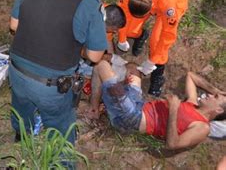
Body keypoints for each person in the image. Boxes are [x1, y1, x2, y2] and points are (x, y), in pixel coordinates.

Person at [8, 0, 107, 146]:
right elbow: (95, 56)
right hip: (50, 86)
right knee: (61, 125)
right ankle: (60, 162)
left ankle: (22, 136)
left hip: (16, 72)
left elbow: (13, 25)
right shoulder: (89, 4)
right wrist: (79, 50)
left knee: (22, 105)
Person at [88, 61, 226, 151]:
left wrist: (173, 110)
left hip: (132, 118)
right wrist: (217, 91)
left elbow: (172, 144)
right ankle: (112, 98)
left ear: (219, 109)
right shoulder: (193, 103)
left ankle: (94, 110)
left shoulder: (203, 127)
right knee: (133, 68)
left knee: (101, 66)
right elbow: (191, 76)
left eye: (214, 97)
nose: (209, 95)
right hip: (139, 103)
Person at [116, 0, 188, 97]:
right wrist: (122, 38)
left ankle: (158, 74)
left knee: (156, 42)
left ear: (150, 10)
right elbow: (123, 12)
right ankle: (141, 35)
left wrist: (152, 61)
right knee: (130, 30)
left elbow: (168, 36)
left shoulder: (170, 8)